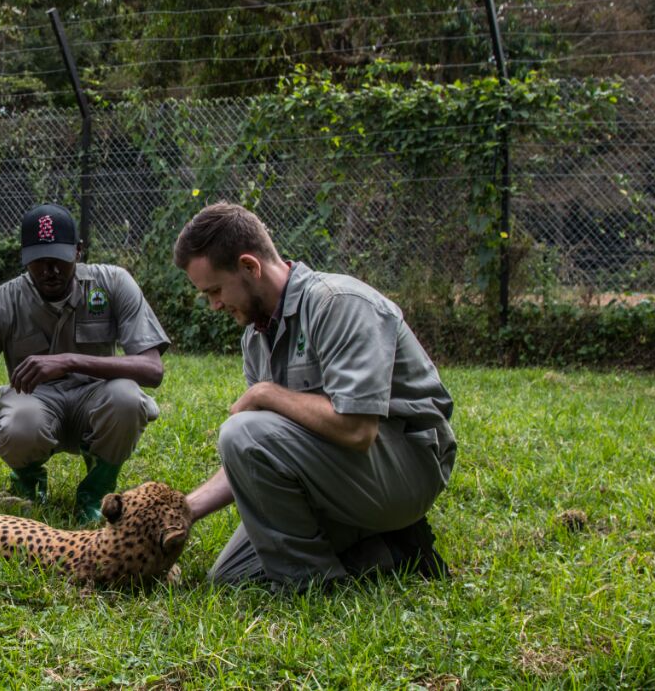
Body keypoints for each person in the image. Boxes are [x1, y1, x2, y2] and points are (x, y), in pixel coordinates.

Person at [174, 202, 457, 589]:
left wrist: (266, 393)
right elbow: (262, 449)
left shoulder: (338, 303)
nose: (215, 305)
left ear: (249, 267)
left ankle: (313, 582)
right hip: (338, 478)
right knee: (231, 578)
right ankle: (395, 549)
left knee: (241, 430)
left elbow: (358, 430)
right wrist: (185, 510)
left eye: (215, 290)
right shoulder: (255, 339)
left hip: (404, 468)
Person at [0, 204, 170, 524]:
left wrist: (69, 361)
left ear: (78, 252)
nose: (50, 269)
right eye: (39, 260)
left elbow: (152, 369)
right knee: (20, 421)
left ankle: (97, 490)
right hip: (37, 404)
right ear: (23, 259)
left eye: (59, 259)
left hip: (97, 400)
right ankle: (29, 481)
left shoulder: (113, 283)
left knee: (127, 399)